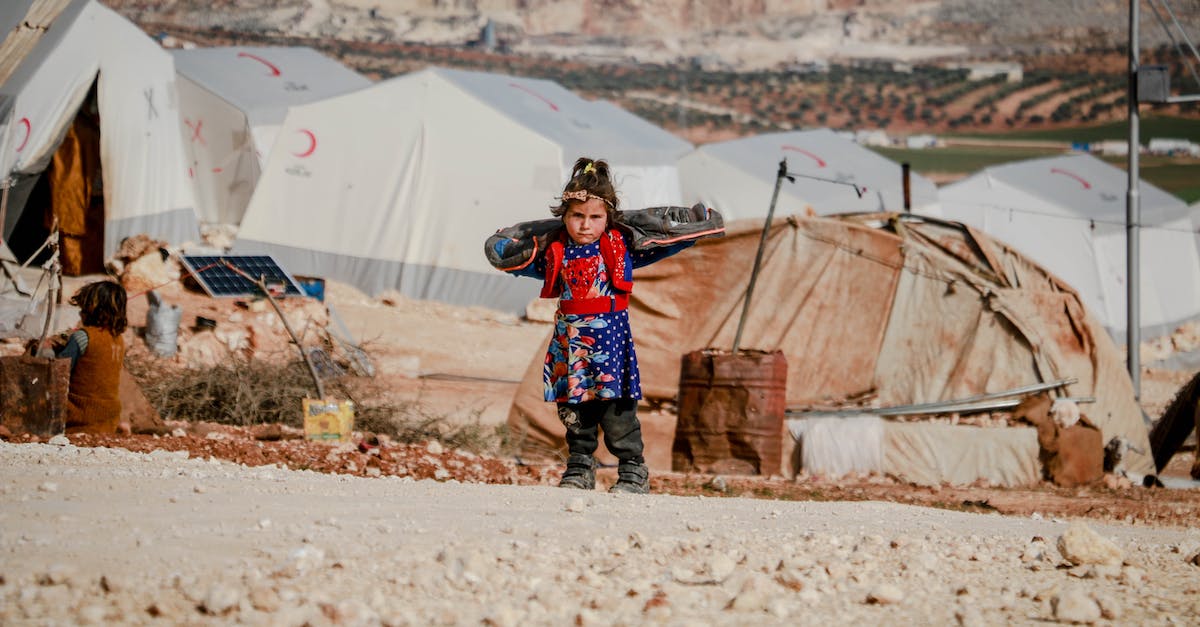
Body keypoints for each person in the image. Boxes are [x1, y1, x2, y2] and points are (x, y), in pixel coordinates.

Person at [498, 157, 696, 493]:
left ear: (608, 219)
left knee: (617, 416)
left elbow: (668, 243)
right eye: (577, 216)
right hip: (571, 348)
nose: (586, 225)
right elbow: (513, 261)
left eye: (595, 217)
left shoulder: (621, 249)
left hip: (610, 349)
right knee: (575, 414)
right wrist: (503, 247)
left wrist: (693, 230)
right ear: (564, 216)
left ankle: (633, 473)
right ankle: (579, 469)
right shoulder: (554, 252)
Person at [57, 280, 128, 434]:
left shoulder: (83, 337)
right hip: (109, 417)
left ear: (92, 311)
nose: (80, 313)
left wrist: (48, 349)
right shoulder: (119, 340)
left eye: (83, 309)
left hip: (80, 415)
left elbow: (59, 370)